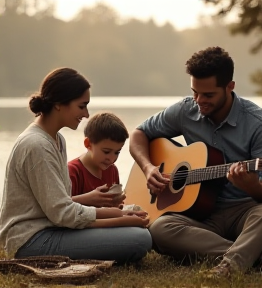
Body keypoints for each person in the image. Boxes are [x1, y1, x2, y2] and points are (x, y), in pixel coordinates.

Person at [129, 46, 262, 276]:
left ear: (230, 87)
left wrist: (253, 186)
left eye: (208, 95)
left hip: (242, 213)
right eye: (195, 92)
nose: (199, 100)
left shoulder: (260, 124)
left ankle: (229, 267)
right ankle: (260, 258)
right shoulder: (185, 110)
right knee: (160, 228)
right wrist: (148, 167)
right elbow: (138, 134)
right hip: (199, 217)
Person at [0, 67, 152, 264]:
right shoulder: (37, 146)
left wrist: (117, 211)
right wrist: (117, 215)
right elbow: (63, 214)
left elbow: (59, 205)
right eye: (82, 106)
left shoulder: (57, 140)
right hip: (32, 240)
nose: (87, 114)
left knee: (136, 214)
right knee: (139, 239)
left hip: (53, 227)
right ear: (59, 104)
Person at [68, 112, 128, 208]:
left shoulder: (112, 170)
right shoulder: (73, 171)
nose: (112, 159)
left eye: (117, 152)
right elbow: (61, 207)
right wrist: (87, 200)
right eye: (106, 152)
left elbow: (115, 207)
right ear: (88, 144)